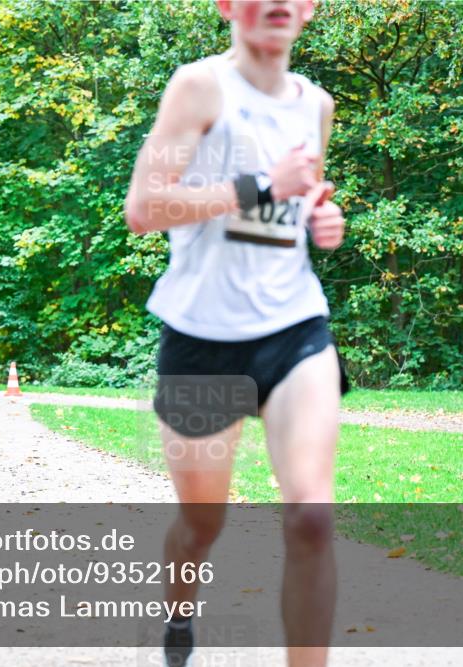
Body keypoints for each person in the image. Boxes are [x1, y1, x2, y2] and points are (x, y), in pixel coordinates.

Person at [124, 2, 347, 665]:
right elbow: (143, 206)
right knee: (202, 524)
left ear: (309, 8)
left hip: (294, 325)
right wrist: (257, 185)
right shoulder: (198, 88)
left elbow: (301, 202)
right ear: (226, 5)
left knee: (311, 516)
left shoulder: (318, 105)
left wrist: (320, 219)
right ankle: (179, 614)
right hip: (202, 338)